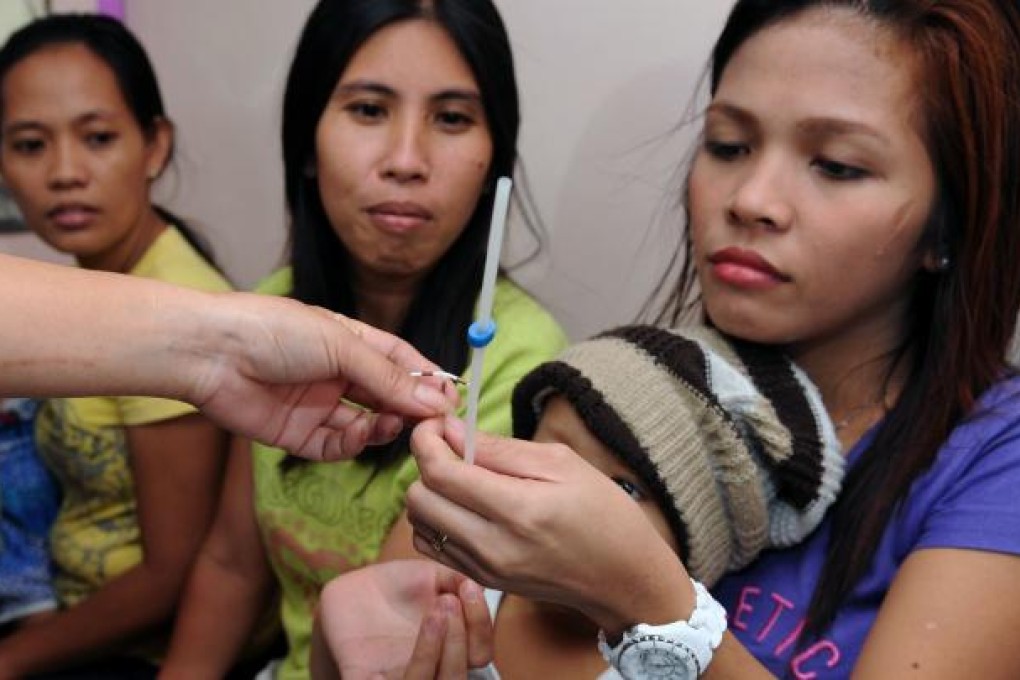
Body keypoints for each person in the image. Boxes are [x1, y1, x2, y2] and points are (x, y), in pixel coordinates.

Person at [384, 0, 1020, 677]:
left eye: (835, 165)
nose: (751, 199)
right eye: (728, 146)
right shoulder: (642, 389)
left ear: (949, 224)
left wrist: (651, 604)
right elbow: (406, 609)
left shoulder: (993, 464)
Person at [160, 1, 566, 678]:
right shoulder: (269, 308)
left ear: (495, 154)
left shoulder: (521, 361)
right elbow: (232, 562)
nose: (406, 160)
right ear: (307, 144)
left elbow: (380, 635)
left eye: (453, 118)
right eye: (369, 110)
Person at [314, 324, 847, 679]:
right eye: (552, 454)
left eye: (622, 489)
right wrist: (330, 636)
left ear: (687, 564)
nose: (566, 505)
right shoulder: (434, 566)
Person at [0, 14, 230, 676]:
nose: (65, 172)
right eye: (30, 144)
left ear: (154, 146)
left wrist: (12, 660)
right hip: (57, 609)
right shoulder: (96, 280)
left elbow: (171, 573)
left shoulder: (174, 310)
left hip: (130, 652)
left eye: (98, 138)